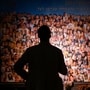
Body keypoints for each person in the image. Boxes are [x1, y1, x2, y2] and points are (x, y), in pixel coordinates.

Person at [14, 25, 68, 90]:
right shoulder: (57, 52)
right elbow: (64, 71)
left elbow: (17, 67)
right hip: (53, 86)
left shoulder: (31, 51)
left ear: (38, 36)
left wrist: (28, 77)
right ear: (50, 35)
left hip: (34, 85)